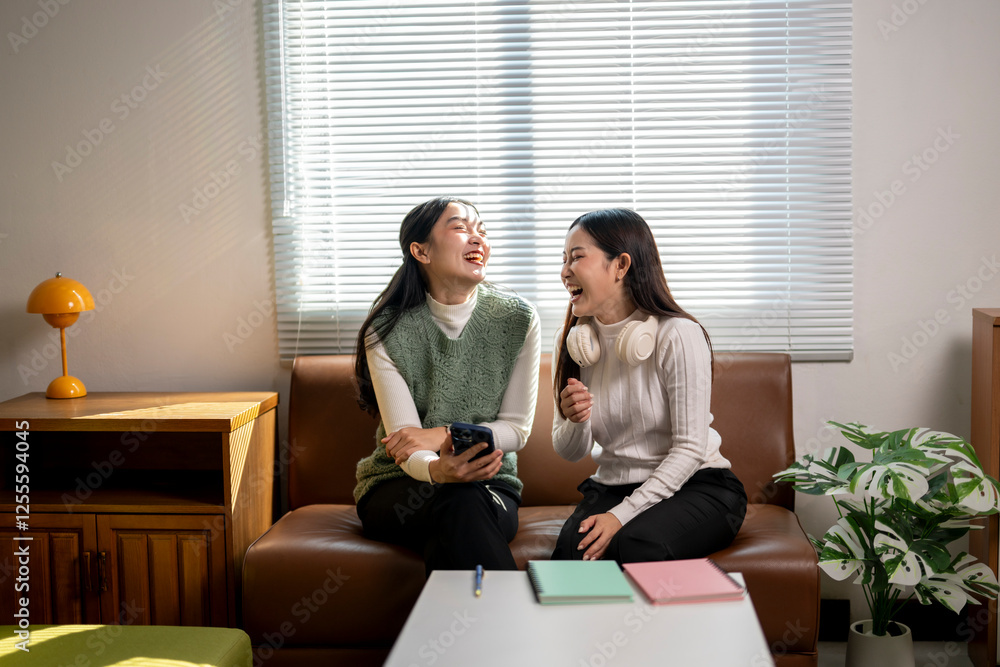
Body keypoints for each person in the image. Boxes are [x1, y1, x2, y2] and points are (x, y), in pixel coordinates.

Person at [353, 196, 541, 574]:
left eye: (481, 230)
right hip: (398, 483)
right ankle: (512, 608)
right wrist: (438, 471)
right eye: (460, 228)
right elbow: (405, 444)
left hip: (490, 483)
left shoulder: (518, 319)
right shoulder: (387, 328)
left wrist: (438, 434)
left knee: (458, 510)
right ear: (421, 251)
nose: (478, 238)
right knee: (458, 503)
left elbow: (516, 430)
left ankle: (451, 615)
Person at [551, 208, 747, 563]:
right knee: (571, 553)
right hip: (613, 485)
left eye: (576, 257)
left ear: (621, 265)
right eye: (563, 259)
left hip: (696, 483)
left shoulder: (678, 334)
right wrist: (576, 420)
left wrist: (619, 517)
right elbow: (570, 451)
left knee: (637, 545)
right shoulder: (575, 342)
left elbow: (690, 449)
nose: (564, 271)